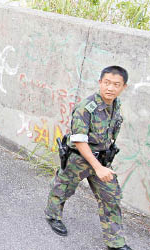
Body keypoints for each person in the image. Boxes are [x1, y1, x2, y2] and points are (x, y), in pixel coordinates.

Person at [44, 66, 131, 250]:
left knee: (111, 197)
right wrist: (98, 168)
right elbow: (80, 141)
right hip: (79, 159)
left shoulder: (116, 105)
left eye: (116, 84)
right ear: (100, 82)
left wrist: (102, 163)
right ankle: (53, 215)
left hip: (102, 160)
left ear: (124, 87)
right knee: (63, 189)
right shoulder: (86, 108)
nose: (110, 88)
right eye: (106, 83)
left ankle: (115, 242)